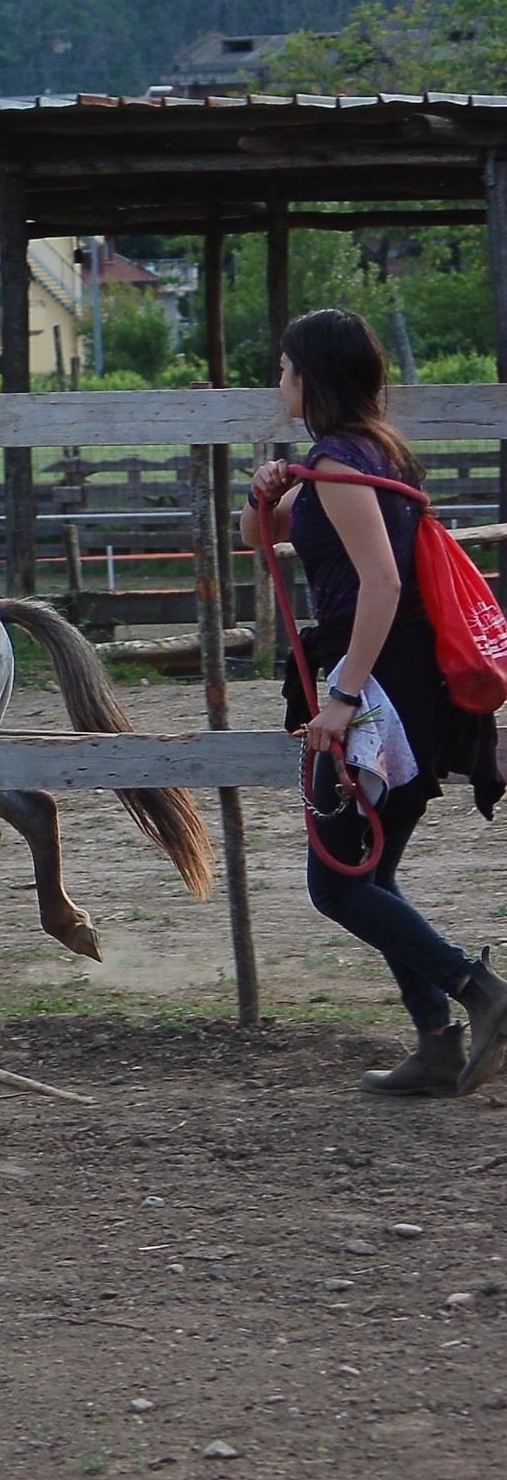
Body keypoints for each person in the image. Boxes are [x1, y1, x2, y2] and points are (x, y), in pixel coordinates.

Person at [241, 309, 505, 1097]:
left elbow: (382, 585)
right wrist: (269, 490)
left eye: (285, 367)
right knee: (374, 870)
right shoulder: (358, 459)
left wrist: (343, 697)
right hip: (403, 684)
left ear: (310, 377)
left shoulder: (344, 467)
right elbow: (261, 535)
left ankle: (481, 993)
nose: (278, 380)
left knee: (338, 880)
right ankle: (434, 1043)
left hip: (381, 687)